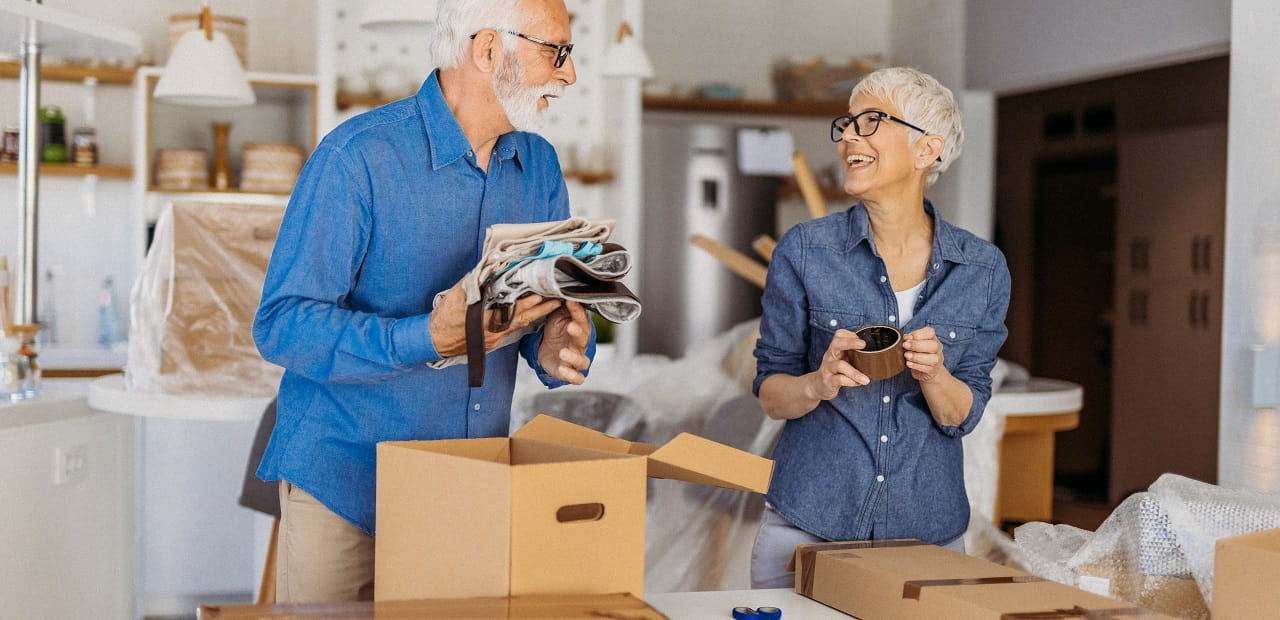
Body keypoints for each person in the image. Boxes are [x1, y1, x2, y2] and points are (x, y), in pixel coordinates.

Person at [252, 0, 593, 603]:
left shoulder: (538, 165)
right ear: (488, 50)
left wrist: (554, 343)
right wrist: (428, 338)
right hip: (347, 484)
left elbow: (528, 309)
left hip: (465, 488)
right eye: (555, 52)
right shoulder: (355, 157)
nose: (569, 74)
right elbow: (281, 326)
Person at [749, 67, 1011, 588]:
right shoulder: (804, 250)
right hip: (807, 524)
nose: (848, 135)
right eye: (846, 123)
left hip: (926, 536)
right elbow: (771, 394)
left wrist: (936, 374)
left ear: (925, 150)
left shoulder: (983, 269)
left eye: (869, 122)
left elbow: (964, 414)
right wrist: (815, 384)